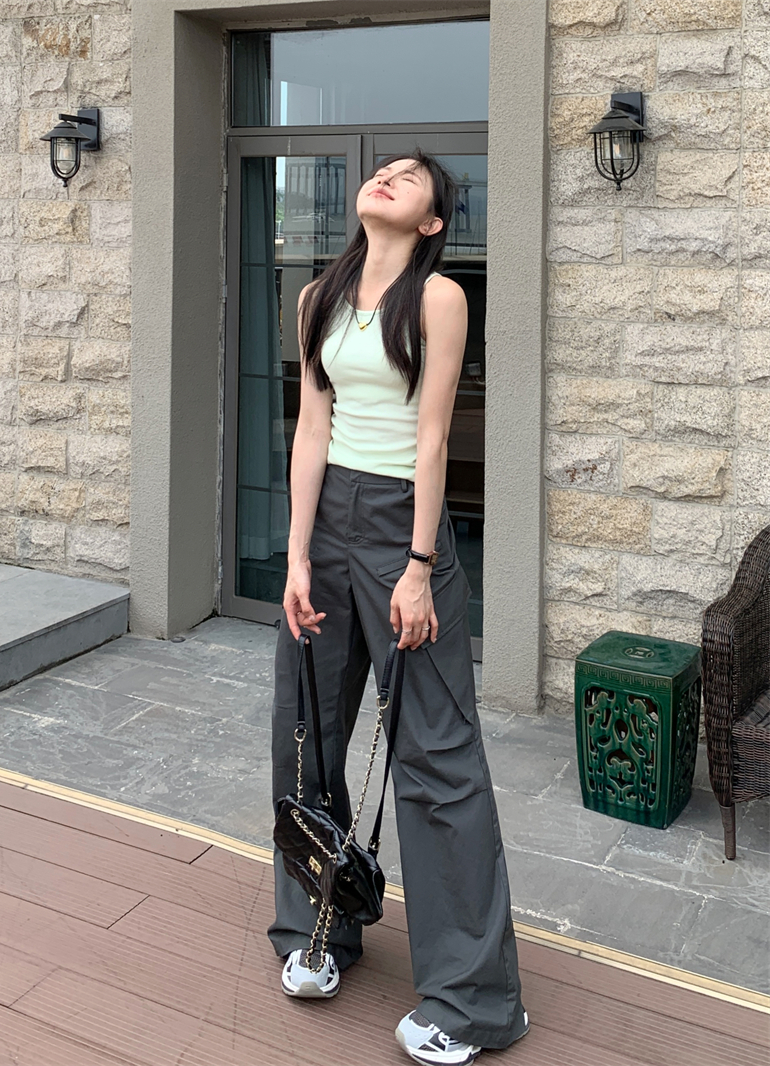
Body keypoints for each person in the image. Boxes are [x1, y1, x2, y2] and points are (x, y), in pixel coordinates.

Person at [268, 149, 529, 1066]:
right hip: (328, 525)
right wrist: (296, 555)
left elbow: (432, 435)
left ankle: (474, 1001)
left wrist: (418, 567)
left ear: (430, 222)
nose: (386, 176)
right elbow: (311, 427)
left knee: (437, 757)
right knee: (305, 734)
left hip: (401, 527)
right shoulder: (317, 298)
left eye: (410, 177)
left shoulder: (439, 299)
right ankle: (318, 929)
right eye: (383, 169)